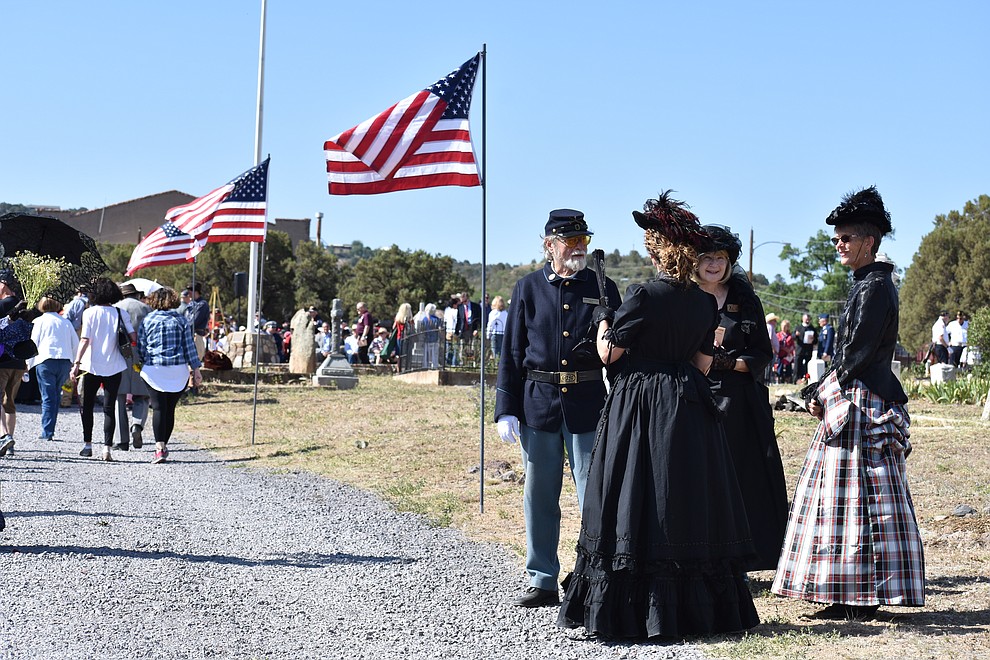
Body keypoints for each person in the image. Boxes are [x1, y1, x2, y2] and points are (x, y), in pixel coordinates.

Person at [558, 192, 758, 638]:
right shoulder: (705, 303)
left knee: (635, 492)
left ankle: (636, 609)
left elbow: (609, 355)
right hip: (688, 401)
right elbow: (704, 363)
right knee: (680, 494)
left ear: (659, 249)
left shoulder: (643, 294)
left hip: (641, 401)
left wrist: (605, 322)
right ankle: (693, 611)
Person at [772, 186, 925, 620]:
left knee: (859, 499)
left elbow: (856, 353)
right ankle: (844, 593)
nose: (839, 244)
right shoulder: (866, 283)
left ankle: (861, 595)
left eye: (846, 238)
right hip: (856, 394)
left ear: (869, 241)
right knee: (840, 498)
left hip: (863, 401)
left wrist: (820, 389)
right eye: (837, 238)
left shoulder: (876, 287)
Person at [494, 208, 621, 608]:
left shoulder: (603, 287)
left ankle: (593, 579)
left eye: (584, 241)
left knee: (593, 496)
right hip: (539, 405)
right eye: (572, 242)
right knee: (539, 495)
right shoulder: (527, 288)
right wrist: (505, 408)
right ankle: (542, 577)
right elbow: (512, 352)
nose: (580, 249)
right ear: (550, 245)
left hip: (587, 403)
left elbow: (618, 349)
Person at [692, 225, 788, 572]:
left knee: (742, 479)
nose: (714, 264)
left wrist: (728, 362)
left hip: (740, 401)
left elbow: (763, 352)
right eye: (706, 257)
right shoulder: (683, 295)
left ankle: (743, 559)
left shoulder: (745, 299)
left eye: (721, 258)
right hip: (694, 398)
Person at [70, 277, 134, 461]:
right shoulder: (121, 313)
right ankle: (107, 448)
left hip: (91, 366)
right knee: (109, 407)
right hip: (115, 365)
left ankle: (87, 445)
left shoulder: (89, 313)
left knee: (87, 406)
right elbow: (133, 336)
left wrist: (76, 364)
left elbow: (85, 340)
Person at [138, 287, 203, 464]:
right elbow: (189, 346)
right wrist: (196, 369)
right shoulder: (181, 320)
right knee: (169, 409)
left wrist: (144, 361)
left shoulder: (147, 320)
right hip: (177, 369)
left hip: (154, 368)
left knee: (158, 408)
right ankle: (164, 445)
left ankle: (159, 447)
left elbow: (142, 347)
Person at [28, 296, 79, 442]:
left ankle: (47, 431)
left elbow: (33, 344)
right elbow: (75, 344)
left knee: (48, 397)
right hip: (64, 361)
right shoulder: (65, 322)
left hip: (45, 360)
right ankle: (50, 429)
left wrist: (27, 364)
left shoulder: (38, 322)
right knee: (56, 395)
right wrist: (75, 363)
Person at [114, 282, 151, 450]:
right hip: (140, 353)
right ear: (136, 295)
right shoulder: (145, 309)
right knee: (142, 395)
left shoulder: (115, 307)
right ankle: (137, 424)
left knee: (118, 397)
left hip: (119, 353)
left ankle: (121, 441)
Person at [0, 270, 26, 456]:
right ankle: (10, 443)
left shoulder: (2, 305)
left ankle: (4, 437)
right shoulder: (26, 306)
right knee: (10, 403)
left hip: (2, 359)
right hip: (19, 361)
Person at [455, 292, 482, 366]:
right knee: (462, 347)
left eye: (465, 301)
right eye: (462, 302)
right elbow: (459, 319)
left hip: (473, 329)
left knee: (474, 347)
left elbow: (479, 319)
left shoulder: (476, 307)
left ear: (468, 299)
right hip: (463, 330)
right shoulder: (460, 307)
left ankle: (474, 364)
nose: (464, 303)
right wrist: (457, 331)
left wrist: (478, 329)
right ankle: (463, 364)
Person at [184, 282, 209, 359]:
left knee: (195, 361)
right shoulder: (191, 304)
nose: (189, 294)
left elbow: (194, 321)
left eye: (190, 291)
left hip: (196, 335)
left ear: (196, 291)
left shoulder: (202, 304)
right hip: (188, 335)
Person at [416, 303, 442, 369]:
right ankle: (434, 367)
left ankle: (425, 367)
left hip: (426, 339)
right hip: (435, 339)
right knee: (434, 355)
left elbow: (421, 330)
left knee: (426, 355)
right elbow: (440, 329)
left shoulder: (424, 319)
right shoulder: (437, 319)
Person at [793, 312, 817, 383]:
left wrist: (813, 339)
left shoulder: (812, 328)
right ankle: (796, 379)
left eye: (808, 319)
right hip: (800, 350)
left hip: (808, 350)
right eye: (806, 319)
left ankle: (806, 379)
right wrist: (796, 335)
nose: (807, 320)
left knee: (807, 366)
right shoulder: (798, 327)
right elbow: (793, 337)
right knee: (797, 365)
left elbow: (816, 340)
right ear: (802, 319)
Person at [485, 295, 508, 362]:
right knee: (501, 351)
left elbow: (490, 324)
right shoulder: (505, 313)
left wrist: (488, 334)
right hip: (503, 334)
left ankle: (496, 364)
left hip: (495, 334)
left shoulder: (493, 313)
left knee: (494, 350)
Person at [392, 303, 414, 368]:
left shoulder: (398, 319)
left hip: (399, 337)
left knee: (399, 354)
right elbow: (413, 329)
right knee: (407, 354)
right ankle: (407, 368)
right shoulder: (410, 320)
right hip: (408, 338)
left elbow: (393, 327)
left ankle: (399, 369)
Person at [776, 319, 796, 383]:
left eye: (785, 326)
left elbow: (793, 345)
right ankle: (780, 379)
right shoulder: (778, 335)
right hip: (780, 354)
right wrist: (784, 349)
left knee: (788, 368)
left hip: (788, 355)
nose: (784, 327)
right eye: (783, 326)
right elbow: (777, 344)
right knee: (780, 367)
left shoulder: (790, 335)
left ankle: (788, 380)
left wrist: (790, 350)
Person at [443, 297, 459, 366]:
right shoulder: (456, 311)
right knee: (455, 349)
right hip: (454, 331)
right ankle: (454, 363)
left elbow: (445, 320)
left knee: (449, 348)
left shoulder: (447, 310)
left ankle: (448, 362)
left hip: (448, 331)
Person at [765, 313, 780, 383]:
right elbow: (769, 339)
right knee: (769, 366)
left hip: (771, 350)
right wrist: (773, 349)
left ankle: (768, 380)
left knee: (770, 366)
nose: (775, 322)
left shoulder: (770, 327)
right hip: (771, 350)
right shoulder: (770, 327)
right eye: (774, 320)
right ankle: (767, 380)